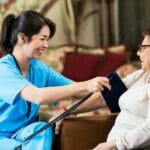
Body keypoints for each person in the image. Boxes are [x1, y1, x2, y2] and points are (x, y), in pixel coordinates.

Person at [0, 10, 111, 150]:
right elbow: (37, 96)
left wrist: (110, 89)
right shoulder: (4, 70)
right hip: (2, 138)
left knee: (42, 129)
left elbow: (76, 90)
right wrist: (87, 85)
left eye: (47, 40)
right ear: (22, 38)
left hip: (23, 133)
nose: (46, 45)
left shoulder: (40, 69)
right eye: (42, 38)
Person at [73, 28, 150, 150]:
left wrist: (112, 145)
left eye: (143, 48)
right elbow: (104, 97)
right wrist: (67, 112)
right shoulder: (140, 75)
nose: (138, 53)